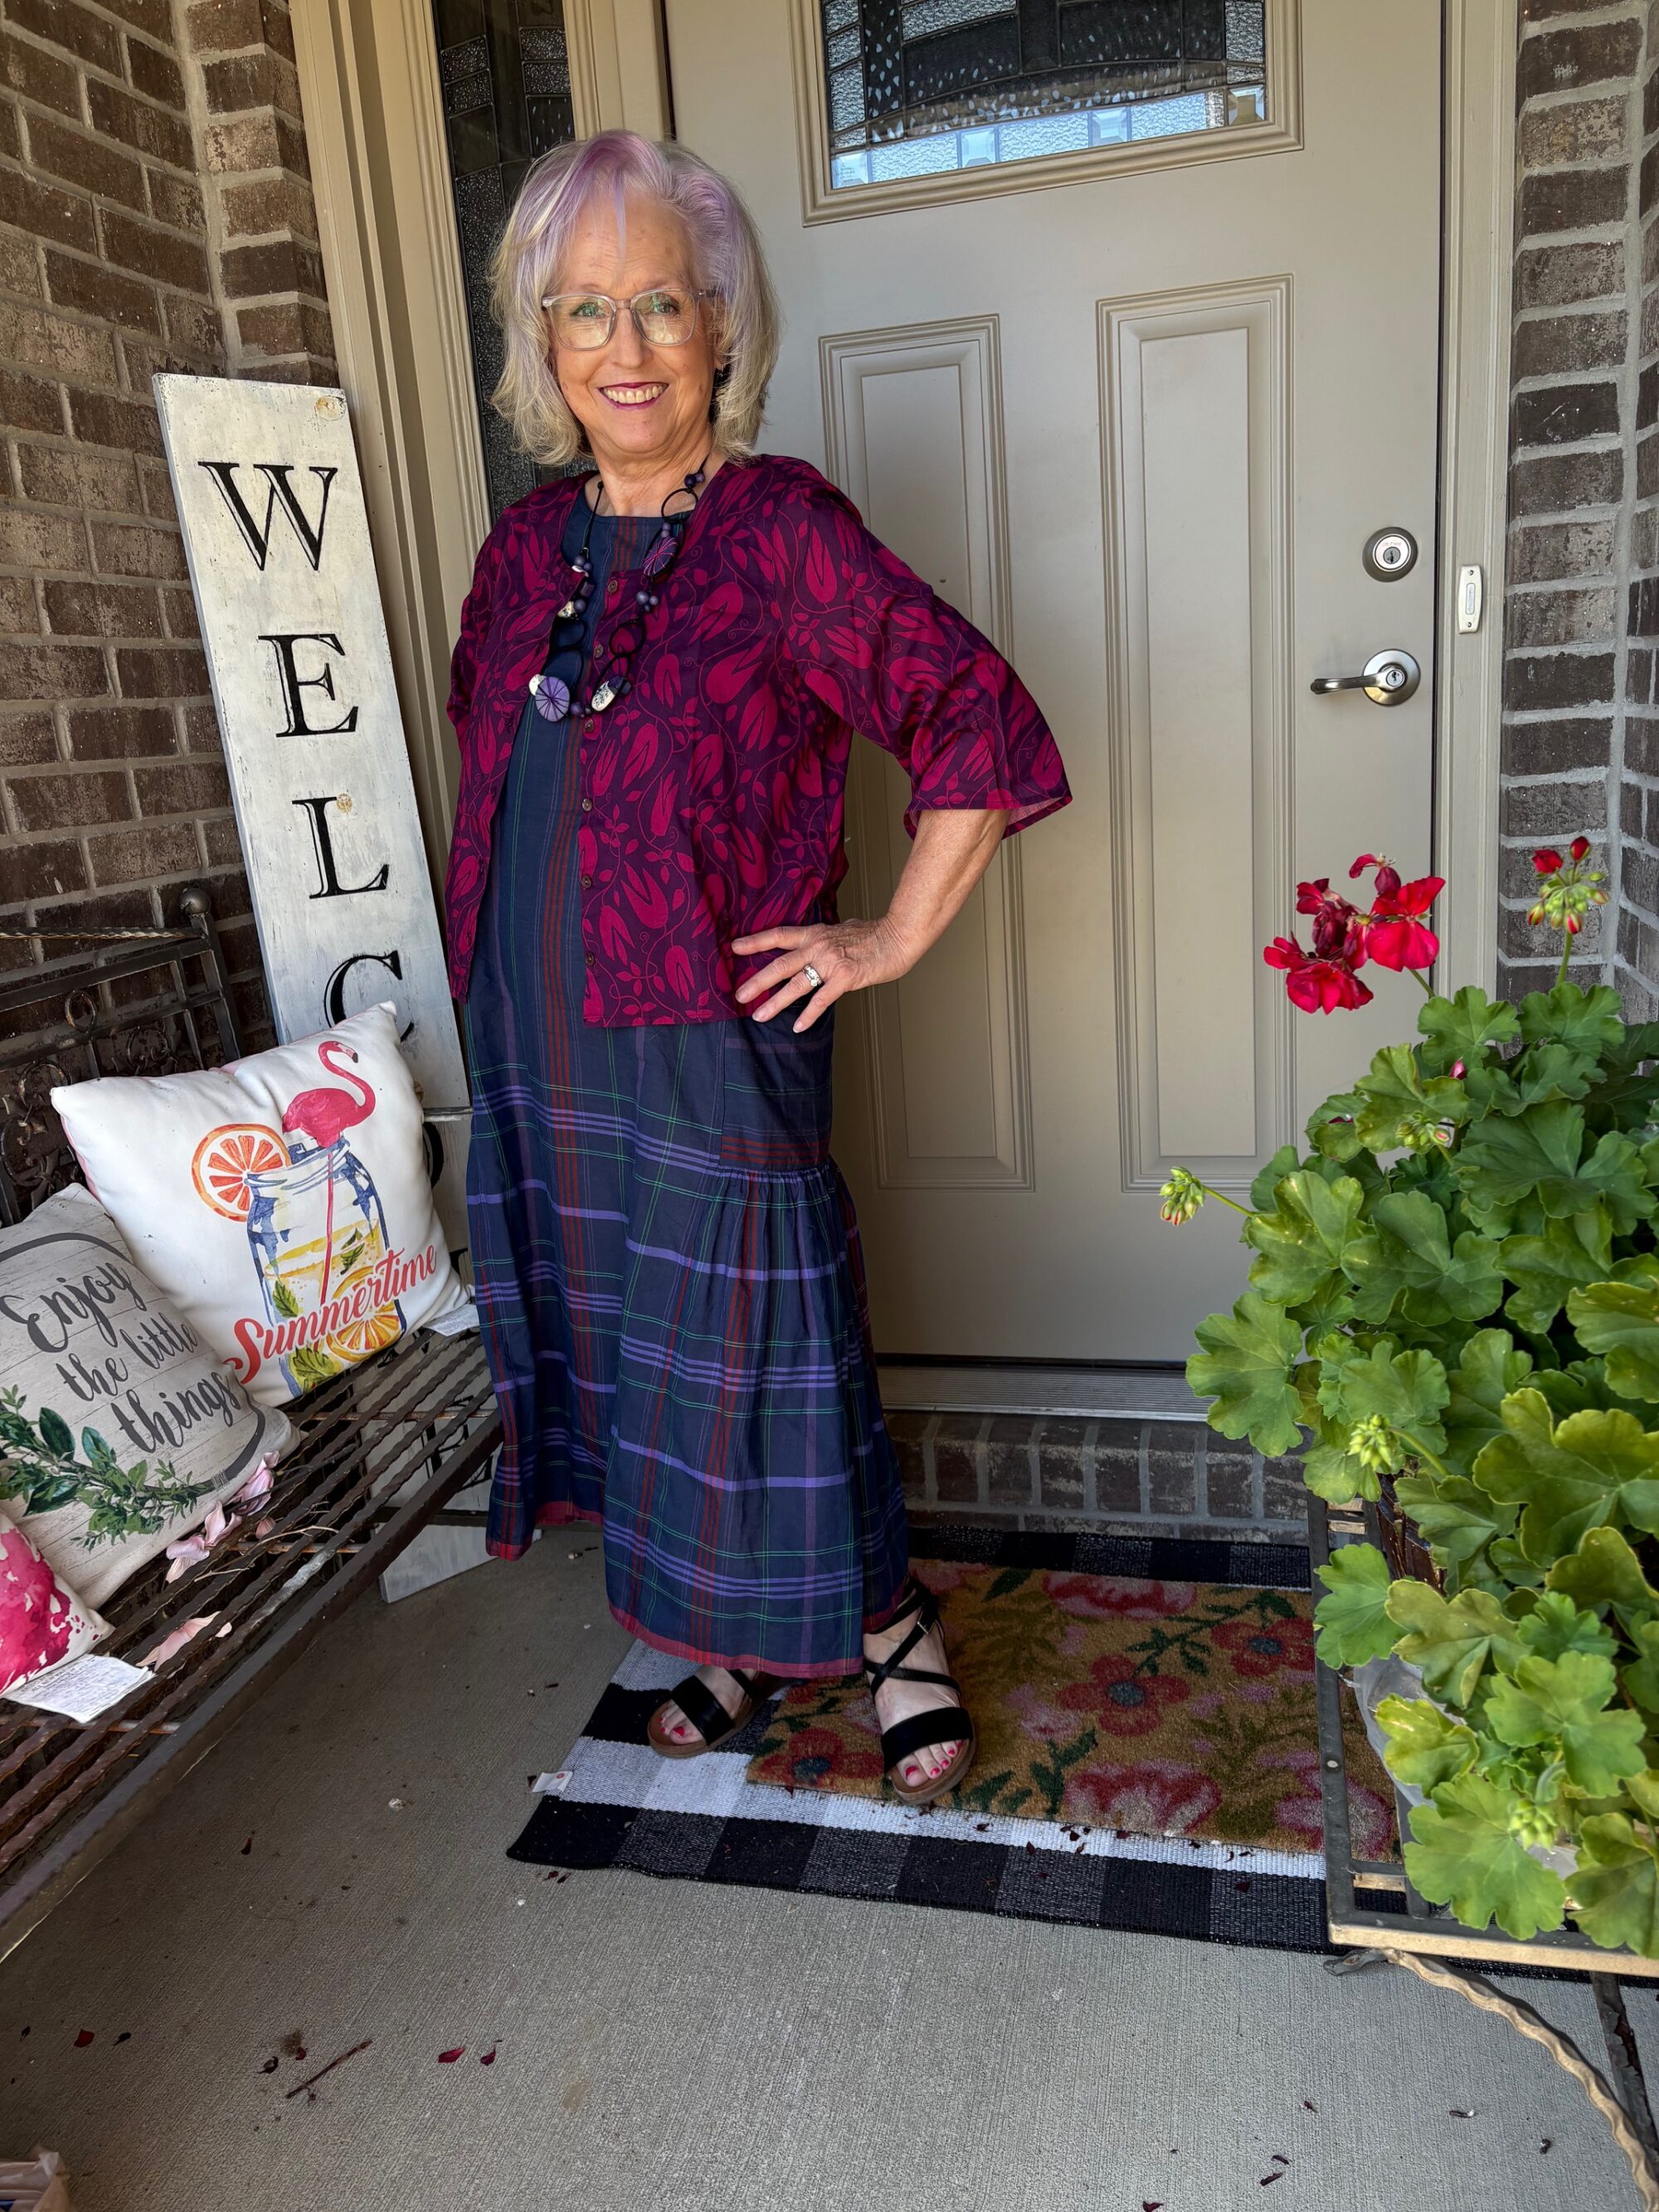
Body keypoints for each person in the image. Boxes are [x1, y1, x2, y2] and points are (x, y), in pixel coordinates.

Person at [445, 129, 1070, 1806]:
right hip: (538, 1030)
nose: (625, 345)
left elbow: (973, 715)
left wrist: (890, 933)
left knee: (768, 1345)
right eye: (584, 309)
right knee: (635, 1351)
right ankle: (725, 1627)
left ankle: (884, 1622)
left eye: (661, 302)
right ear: (543, 342)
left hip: (712, 1030)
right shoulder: (520, 553)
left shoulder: (779, 529)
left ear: (721, 324)